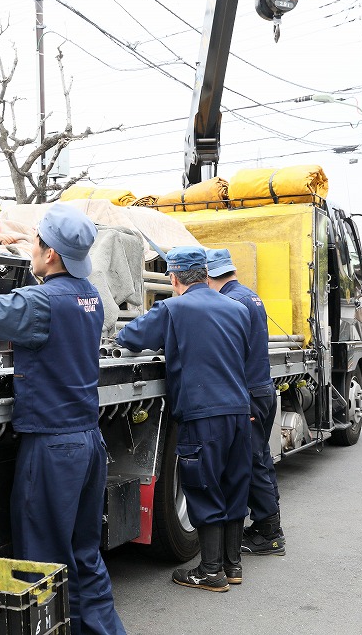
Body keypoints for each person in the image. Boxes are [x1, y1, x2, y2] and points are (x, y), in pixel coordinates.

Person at [0, 203, 126, 634]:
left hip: (52, 448)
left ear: (51, 255)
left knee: (39, 565)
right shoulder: (90, 297)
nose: (33, 248)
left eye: (37, 243)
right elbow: (44, 295)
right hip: (87, 442)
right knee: (84, 555)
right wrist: (13, 240)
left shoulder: (41, 303)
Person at [116, 246, 252, 592]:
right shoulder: (237, 309)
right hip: (238, 411)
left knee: (203, 487)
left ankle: (210, 572)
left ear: (173, 277)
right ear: (206, 274)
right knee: (234, 484)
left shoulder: (172, 308)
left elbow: (129, 337)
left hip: (202, 415)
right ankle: (232, 567)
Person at [206, 248, 286, 557]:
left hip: (248, 394)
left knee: (251, 462)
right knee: (261, 458)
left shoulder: (230, 302)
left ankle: (269, 532)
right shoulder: (250, 296)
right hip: (262, 389)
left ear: (210, 276)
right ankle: (268, 523)